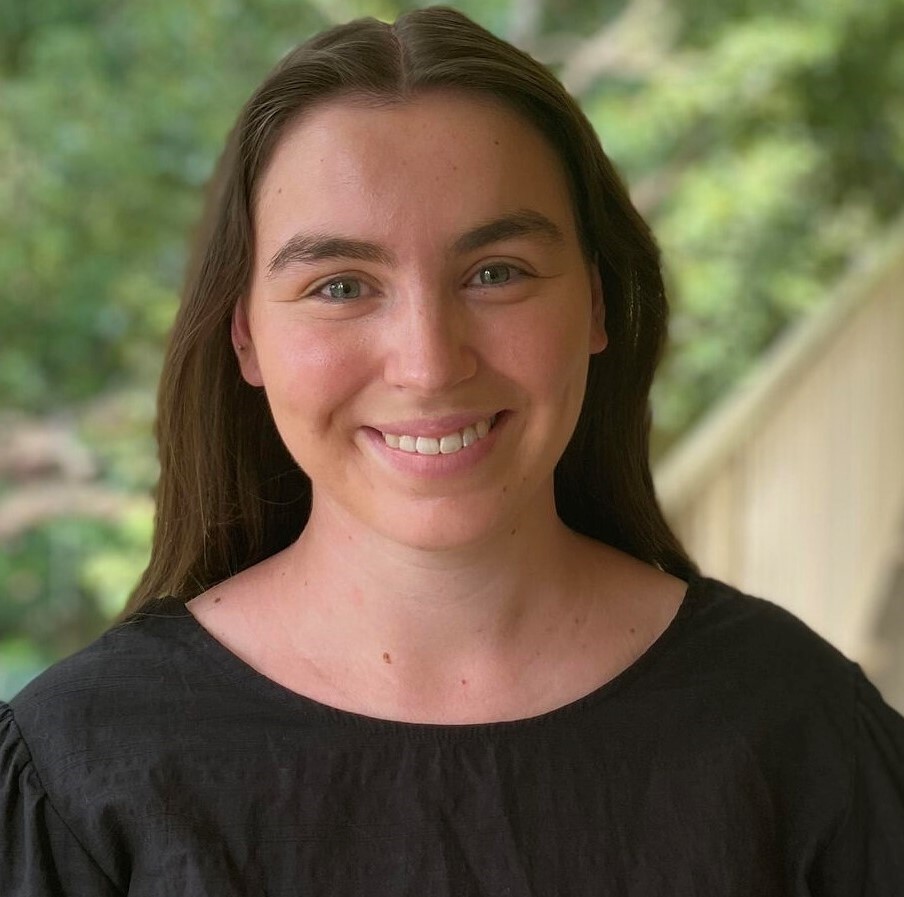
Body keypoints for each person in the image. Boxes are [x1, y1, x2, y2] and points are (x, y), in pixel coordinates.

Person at [2, 6, 903, 895]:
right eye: (342, 285)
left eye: (496, 272)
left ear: (595, 303)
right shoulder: (75, 777)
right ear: (245, 338)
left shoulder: (800, 731)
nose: (430, 364)